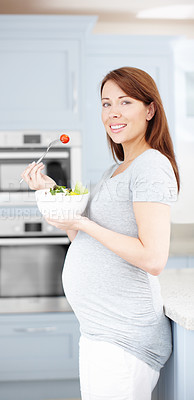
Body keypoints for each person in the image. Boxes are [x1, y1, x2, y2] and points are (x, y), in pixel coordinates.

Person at [21, 66, 180, 400]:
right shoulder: (116, 169)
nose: (113, 113)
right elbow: (86, 240)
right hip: (101, 332)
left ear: (150, 110)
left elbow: (153, 258)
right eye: (106, 104)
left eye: (125, 102)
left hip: (124, 337)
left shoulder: (151, 166)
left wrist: (82, 222)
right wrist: (52, 194)